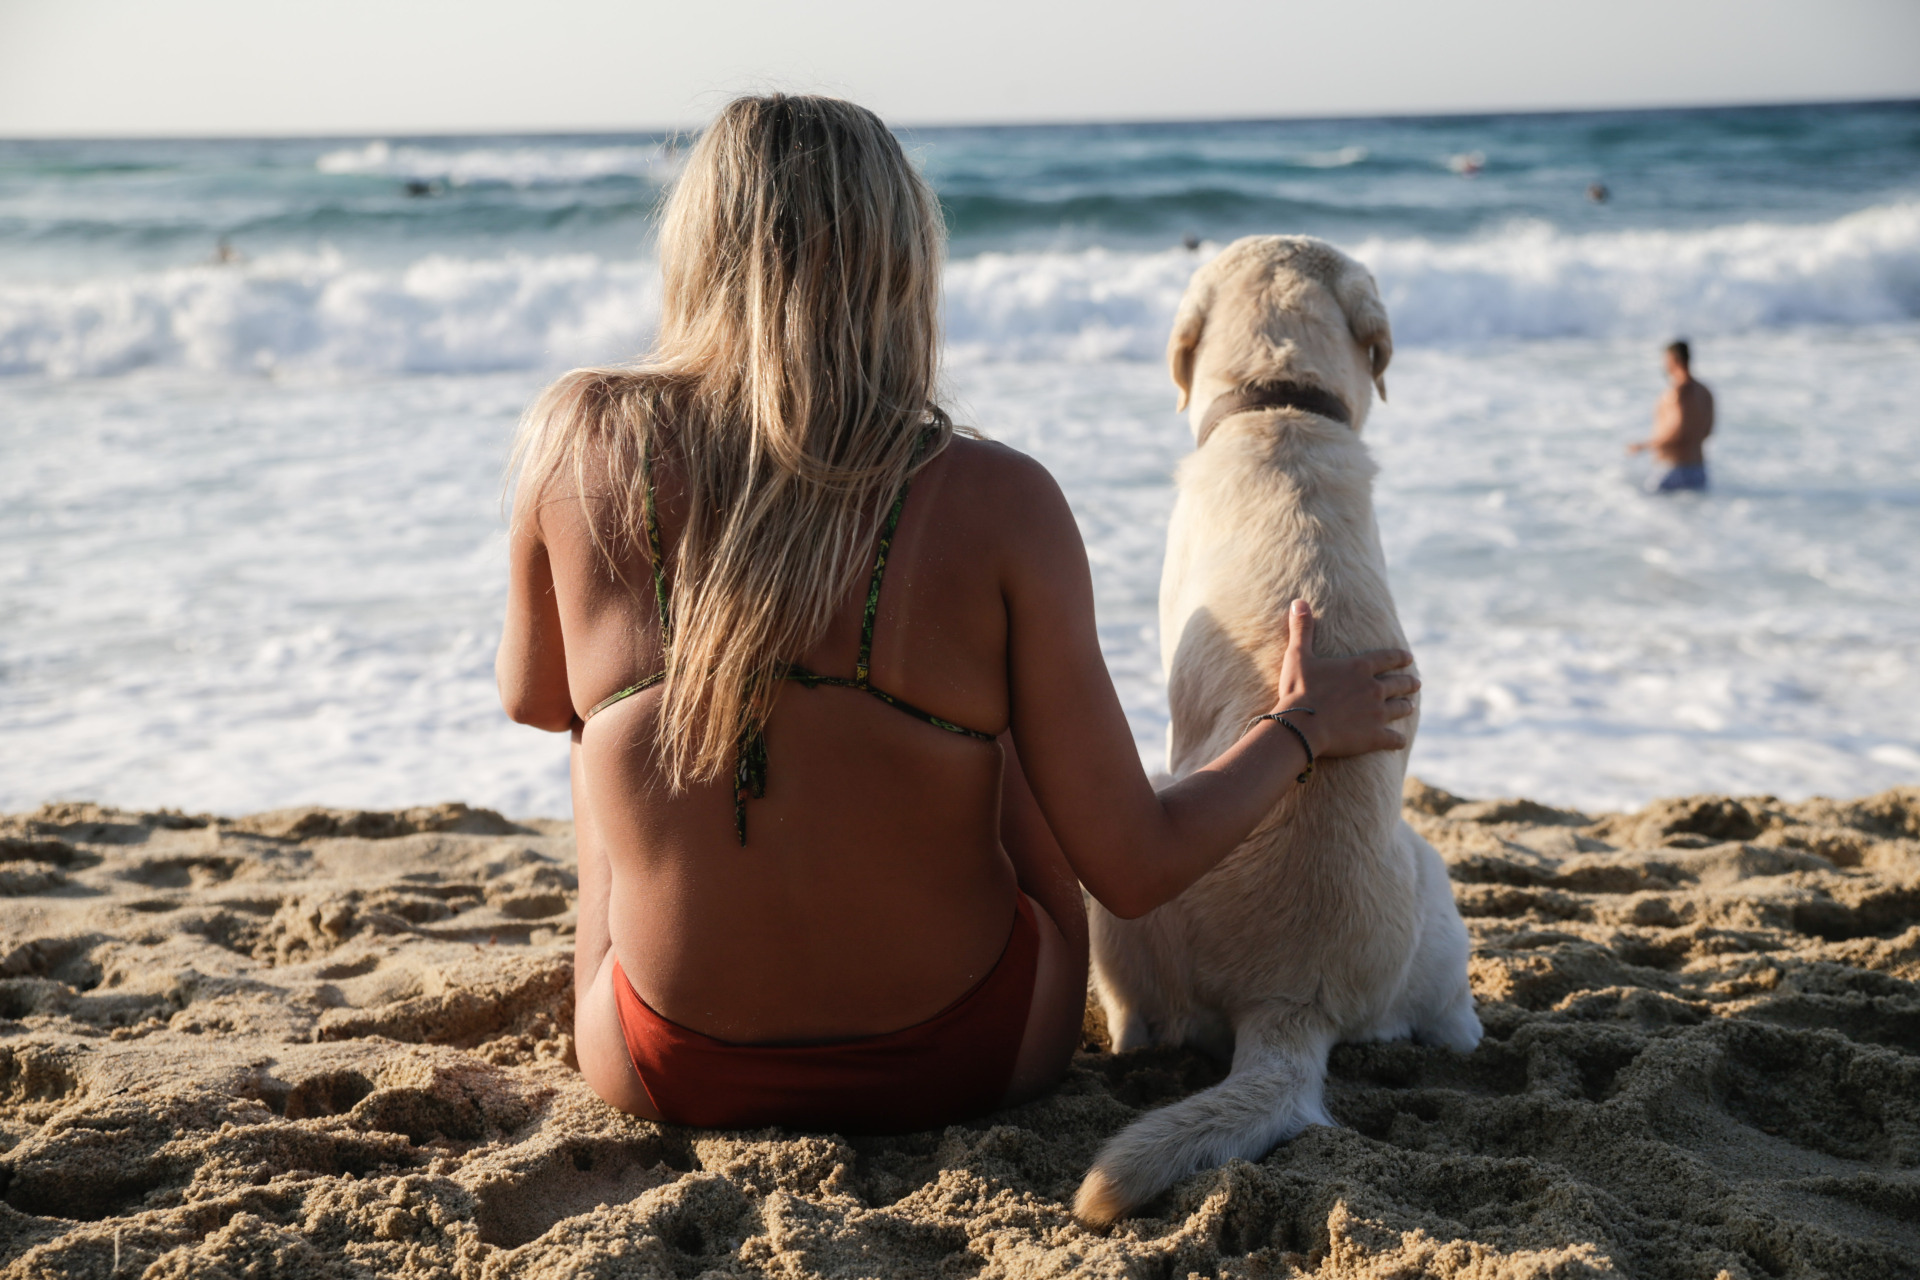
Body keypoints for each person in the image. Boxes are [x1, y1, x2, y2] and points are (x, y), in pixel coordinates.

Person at [496, 94, 1419, 1134]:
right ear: (904, 269)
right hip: (969, 1051)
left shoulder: (577, 441)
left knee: (603, 726)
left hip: (663, 1062)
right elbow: (1133, 861)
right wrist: (1297, 729)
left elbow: (533, 696)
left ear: (696, 251)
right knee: (997, 709)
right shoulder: (999, 497)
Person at [1629, 339, 1714, 492]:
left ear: (1672, 360)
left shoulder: (1677, 393)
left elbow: (1677, 431)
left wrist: (1643, 446)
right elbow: (1707, 430)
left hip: (1672, 469)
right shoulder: (1705, 391)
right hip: (1699, 469)